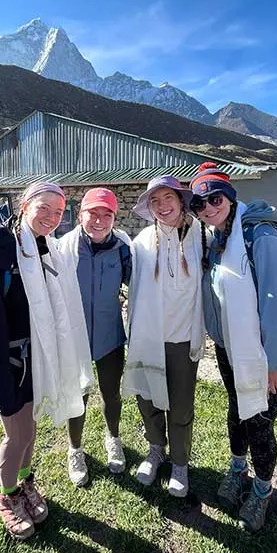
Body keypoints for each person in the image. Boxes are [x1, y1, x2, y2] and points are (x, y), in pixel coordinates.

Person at [0, 182, 93, 540]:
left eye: (58, 212)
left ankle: (24, 484)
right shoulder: (1, 252)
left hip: (36, 359)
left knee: (30, 431)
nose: (52, 218)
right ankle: (5, 497)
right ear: (24, 206)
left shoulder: (44, 249)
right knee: (17, 434)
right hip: (9, 365)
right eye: (44, 209)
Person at [189, 162, 277, 532]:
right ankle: (237, 469)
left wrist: (275, 364)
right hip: (230, 347)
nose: (208, 208)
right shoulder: (218, 241)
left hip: (266, 354)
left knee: (260, 421)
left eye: (214, 198)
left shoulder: (259, 237)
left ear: (230, 198)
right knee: (237, 410)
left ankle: (262, 492)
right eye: (199, 205)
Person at [122, 176, 206, 498]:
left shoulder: (202, 235)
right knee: (148, 397)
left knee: (181, 404)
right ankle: (156, 449)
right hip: (148, 334)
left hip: (183, 337)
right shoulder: (142, 242)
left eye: (168, 197)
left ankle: (180, 463)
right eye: (155, 201)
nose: (162, 206)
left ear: (181, 199)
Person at [58, 188, 132, 486]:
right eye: (93, 213)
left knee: (111, 393)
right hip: (75, 339)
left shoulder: (122, 248)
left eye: (107, 214)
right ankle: (75, 450)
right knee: (77, 396)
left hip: (110, 336)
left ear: (115, 217)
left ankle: (113, 438)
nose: (99, 220)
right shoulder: (63, 248)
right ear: (80, 215)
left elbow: (142, 284)